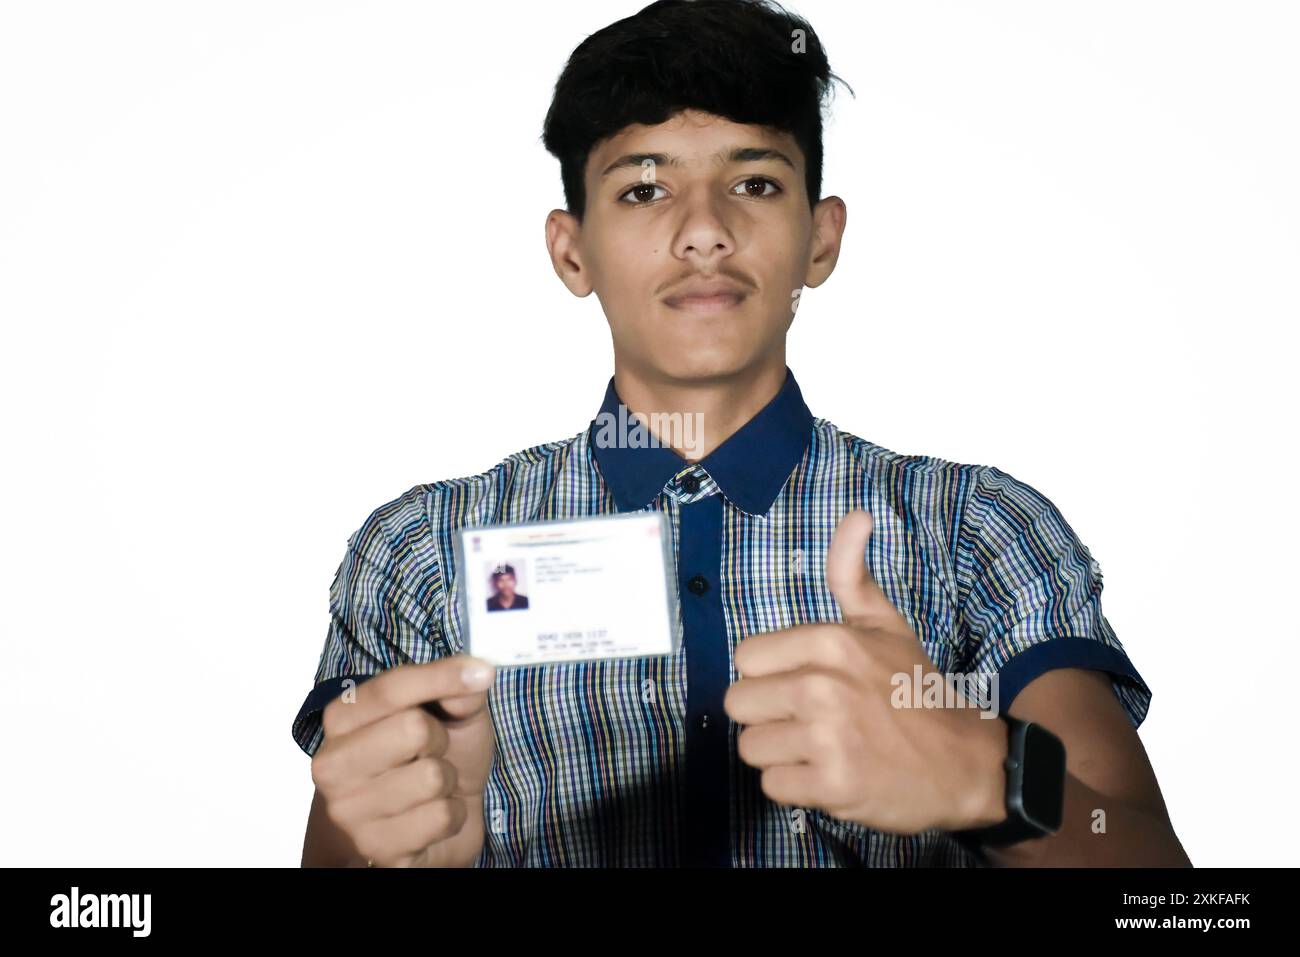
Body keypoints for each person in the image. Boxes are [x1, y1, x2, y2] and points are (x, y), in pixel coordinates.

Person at [294, 0, 1189, 868]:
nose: (705, 232)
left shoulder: (977, 528)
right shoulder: (421, 553)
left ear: (820, 239)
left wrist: (981, 774)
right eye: (645, 189)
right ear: (573, 252)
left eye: (754, 183)